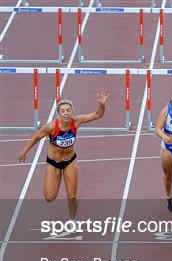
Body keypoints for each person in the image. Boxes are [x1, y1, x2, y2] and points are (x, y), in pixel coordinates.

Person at [18, 89, 111, 221]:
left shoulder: (77, 121)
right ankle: (57, 178)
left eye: (68, 110)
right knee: (49, 197)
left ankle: (72, 221)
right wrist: (24, 151)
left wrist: (102, 104)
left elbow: (98, 115)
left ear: (71, 112)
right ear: (59, 114)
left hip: (69, 162)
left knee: (72, 196)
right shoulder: (51, 127)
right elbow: (36, 137)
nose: (66, 113)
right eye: (63, 111)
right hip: (53, 163)